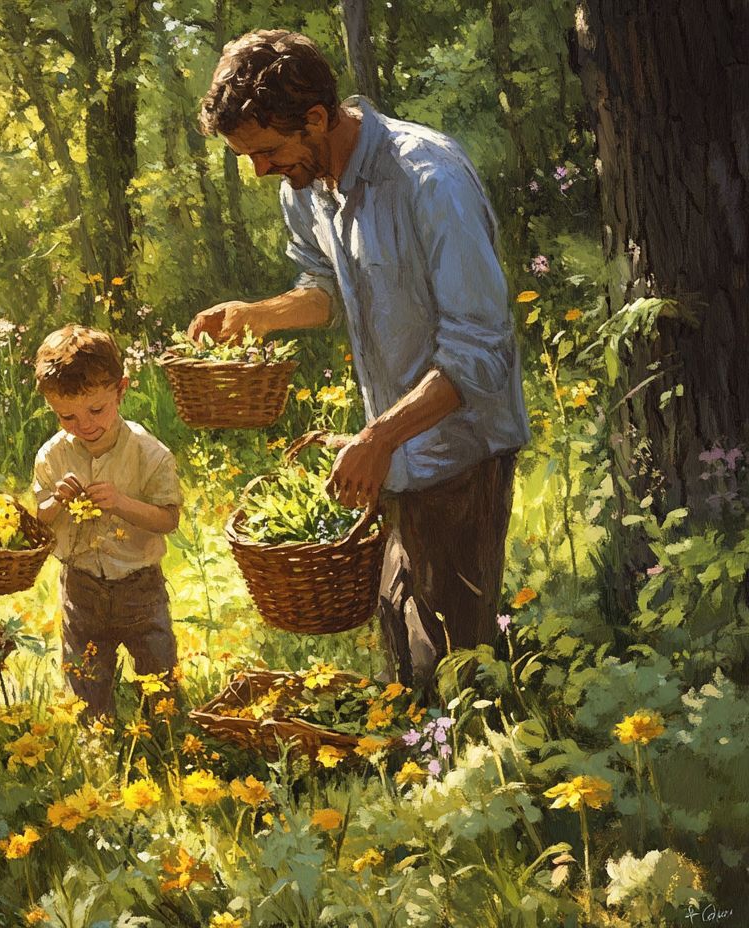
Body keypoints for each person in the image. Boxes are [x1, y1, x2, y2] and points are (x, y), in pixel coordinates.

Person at [189, 30, 530, 690]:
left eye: (266, 151)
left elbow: (480, 350)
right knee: (402, 636)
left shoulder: (429, 177)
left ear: (316, 118)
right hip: (391, 454)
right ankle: (426, 767)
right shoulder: (308, 186)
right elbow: (325, 293)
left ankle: (483, 771)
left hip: (463, 452)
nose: (260, 170)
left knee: (457, 663)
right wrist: (256, 315)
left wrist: (377, 437)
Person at [32, 326, 183, 721]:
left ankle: (163, 734)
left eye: (96, 410)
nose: (84, 425)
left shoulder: (150, 454)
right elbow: (39, 519)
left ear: (121, 390)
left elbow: (168, 518)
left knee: (158, 669)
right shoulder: (52, 456)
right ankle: (97, 738)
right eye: (67, 416)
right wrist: (55, 501)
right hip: (81, 584)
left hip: (139, 584)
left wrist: (120, 503)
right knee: (85, 676)